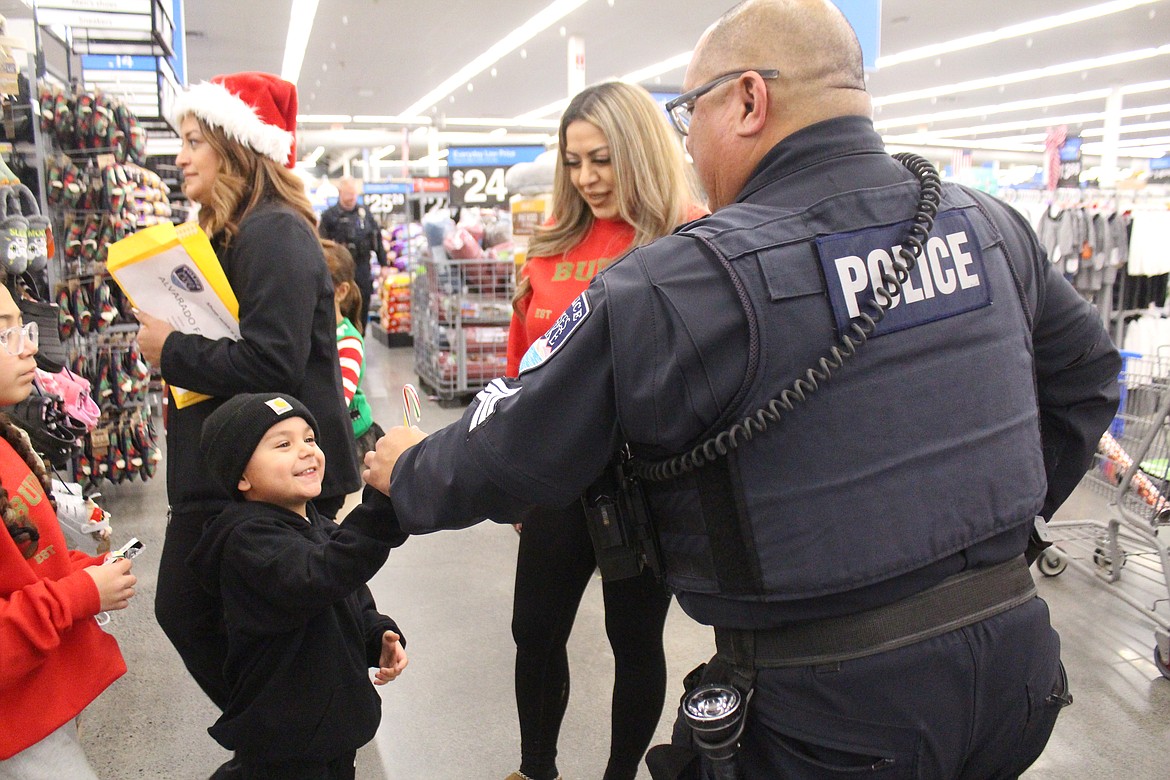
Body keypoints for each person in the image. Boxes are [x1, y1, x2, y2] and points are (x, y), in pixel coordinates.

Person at [364, 1, 1123, 777]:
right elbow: (1088, 379)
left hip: (827, 719)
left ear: (749, 99)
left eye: (691, 112)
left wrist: (412, 467)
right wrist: (995, 528)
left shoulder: (683, 281)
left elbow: (517, 446)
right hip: (1013, 681)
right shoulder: (986, 224)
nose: (686, 141)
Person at [134, 71, 361, 711]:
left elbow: (275, 361)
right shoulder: (233, 233)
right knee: (250, 620)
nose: (179, 157)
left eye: (193, 141)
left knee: (197, 607)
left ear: (234, 146)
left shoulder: (273, 233)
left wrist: (171, 350)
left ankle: (283, 733)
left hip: (277, 465)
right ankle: (281, 734)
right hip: (240, 464)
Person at [503, 81, 706, 780]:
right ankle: (537, 770)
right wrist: (510, 481)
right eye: (574, 162)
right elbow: (517, 377)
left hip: (649, 483)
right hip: (556, 479)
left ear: (641, 152)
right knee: (534, 630)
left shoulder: (690, 235)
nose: (586, 178)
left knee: (635, 637)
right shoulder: (550, 249)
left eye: (603, 160)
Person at [190, 392, 408, 780]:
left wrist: (378, 635)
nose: (307, 451)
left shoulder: (319, 526)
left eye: (309, 439)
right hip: (284, 735)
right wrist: (384, 502)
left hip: (334, 730)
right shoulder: (247, 541)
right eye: (284, 444)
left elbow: (353, 597)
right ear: (241, 475)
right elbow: (320, 576)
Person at [0, 281, 137, 779]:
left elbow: (24, 560)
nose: (30, 345)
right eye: (3, 333)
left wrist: (81, 571)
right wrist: (77, 595)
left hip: (32, 708)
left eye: (23, 327)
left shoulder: (5, 440)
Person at [322, 239, 384, 463]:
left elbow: (340, 400)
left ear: (341, 291)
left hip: (353, 437)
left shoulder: (347, 340)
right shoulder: (317, 333)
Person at [319, 177, 386, 334]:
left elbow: (376, 238)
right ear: (340, 192)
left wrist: (383, 264)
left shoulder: (365, 214)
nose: (351, 198)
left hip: (362, 268)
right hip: (339, 271)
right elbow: (322, 244)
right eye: (348, 194)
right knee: (339, 307)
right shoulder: (329, 217)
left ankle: (359, 339)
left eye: (353, 194)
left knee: (362, 305)